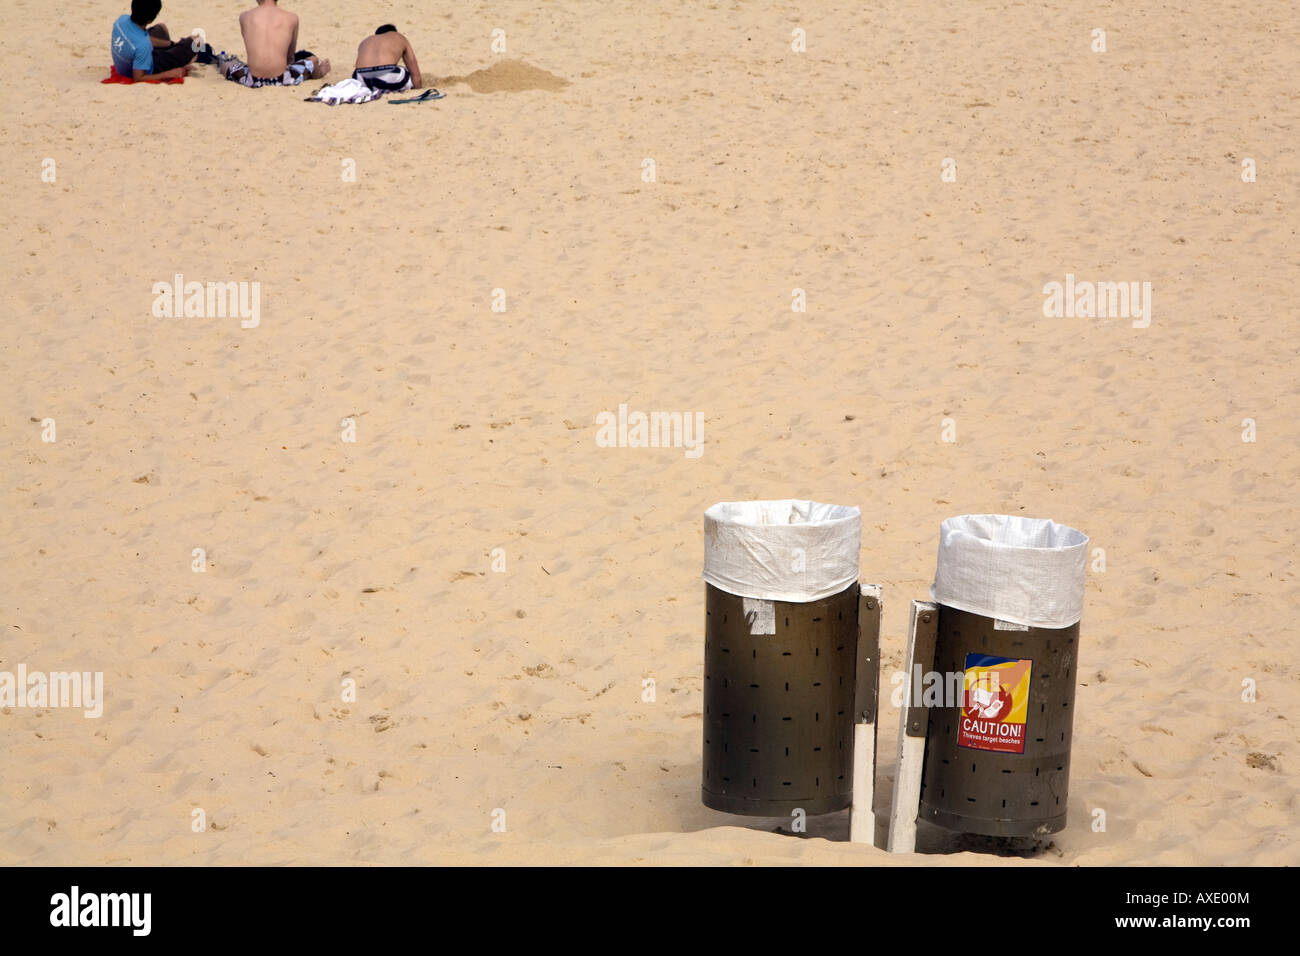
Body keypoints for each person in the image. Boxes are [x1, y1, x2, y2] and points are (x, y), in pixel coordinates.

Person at [221, 0, 329, 88]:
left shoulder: (244, 17)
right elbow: (290, 57)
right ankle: (320, 72)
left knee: (225, 66)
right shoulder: (292, 18)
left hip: (251, 80)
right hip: (282, 79)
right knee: (313, 60)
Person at [111, 0, 216, 81]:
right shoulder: (143, 45)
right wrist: (170, 73)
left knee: (162, 28)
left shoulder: (121, 20)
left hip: (134, 55)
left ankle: (177, 50)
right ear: (151, 20)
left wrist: (171, 44)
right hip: (152, 66)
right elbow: (138, 78)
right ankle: (193, 57)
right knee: (197, 41)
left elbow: (143, 39)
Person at [352, 24, 422, 92]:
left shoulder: (366, 41)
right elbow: (415, 73)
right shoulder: (398, 37)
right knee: (407, 72)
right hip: (387, 75)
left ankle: (374, 88)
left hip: (361, 77)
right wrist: (418, 90)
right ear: (393, 32)